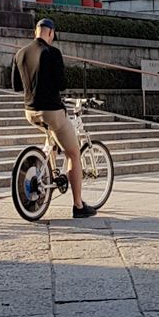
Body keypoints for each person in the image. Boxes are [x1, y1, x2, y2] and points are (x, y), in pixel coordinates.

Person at [11, 15, 95, 218]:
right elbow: (61, 84)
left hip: (30, 111)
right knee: (73, 153)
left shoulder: (20, 53)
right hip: (52, 111)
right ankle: (78, 205)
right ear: (50, 33)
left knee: (52, 138)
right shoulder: (52, 52)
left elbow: (16, 86)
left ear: (35, 32)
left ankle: (48, 175)